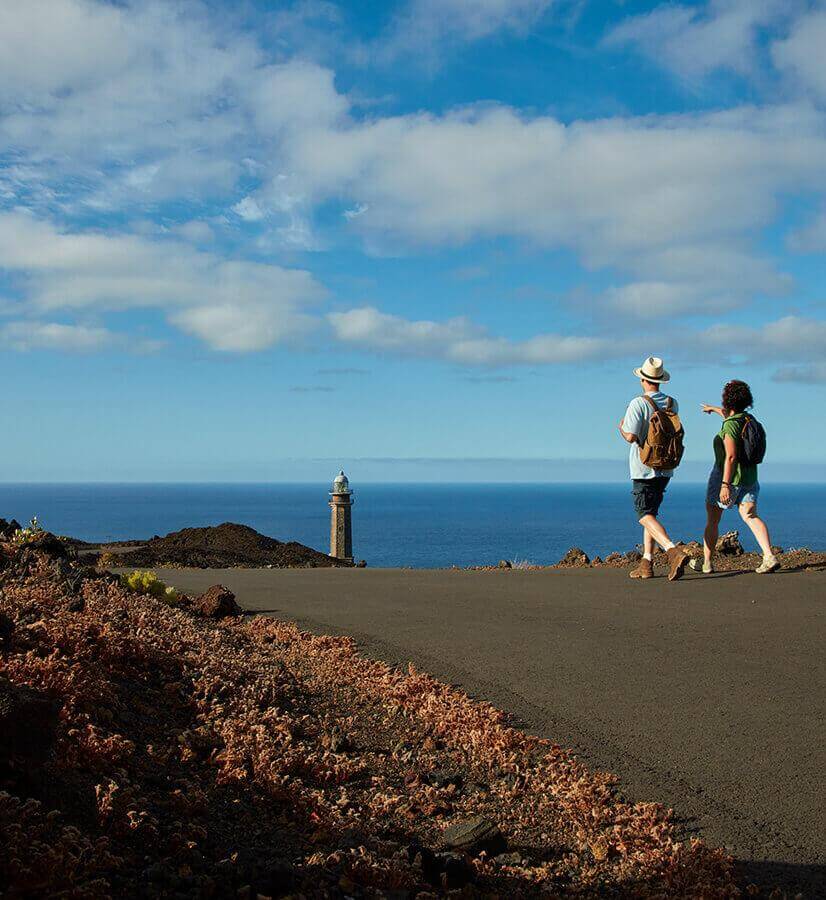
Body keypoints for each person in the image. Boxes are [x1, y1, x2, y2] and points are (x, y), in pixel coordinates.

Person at [690, 380, 779, 575]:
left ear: (728, 400)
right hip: (750, 478)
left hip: (726, 478)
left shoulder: (730, 426)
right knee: (750, 516)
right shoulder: (748, 419)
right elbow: (728, 415)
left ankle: (706, 563)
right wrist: (713, 409)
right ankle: (769, 556)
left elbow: (730, 456)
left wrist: (725, 485)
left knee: (713, 520)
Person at [618, 356, 689, 581]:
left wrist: (620, 428)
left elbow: (630, 436)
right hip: (666, 466)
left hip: (643, 466)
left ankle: (672, 550)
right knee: (652, 513)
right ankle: (646, 563)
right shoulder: (672, 403)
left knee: (643, 514)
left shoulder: (638, 403)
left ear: (642, 379)